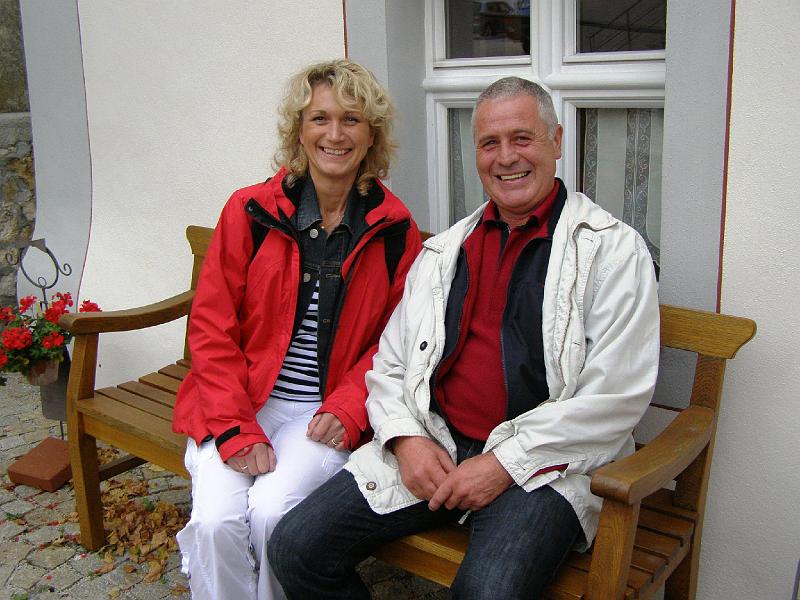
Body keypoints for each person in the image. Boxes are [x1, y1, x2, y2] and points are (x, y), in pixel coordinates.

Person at [268, 76, 660, 599]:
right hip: (437, 443)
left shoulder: (612, 251)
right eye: (489, 143)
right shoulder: (445, 251)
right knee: (296, 547)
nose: (506, 158)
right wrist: (406, 440)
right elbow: (388, 366)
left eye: (522, 138)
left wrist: (502, 464)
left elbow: (616, 397)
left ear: (557, 142)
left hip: (543, 465)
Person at [172, 59, 421, 600]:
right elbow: (212, 327)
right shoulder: (250, 211)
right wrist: (236, 427)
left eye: (351, 119)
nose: (335, 134)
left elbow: (395, 340)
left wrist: (350, 405)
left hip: (322, 412)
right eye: (320, 119)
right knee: (216, 522)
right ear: (298, 130)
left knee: (271, 515)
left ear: (371, 134)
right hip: (237, 400)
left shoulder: (396, 231)